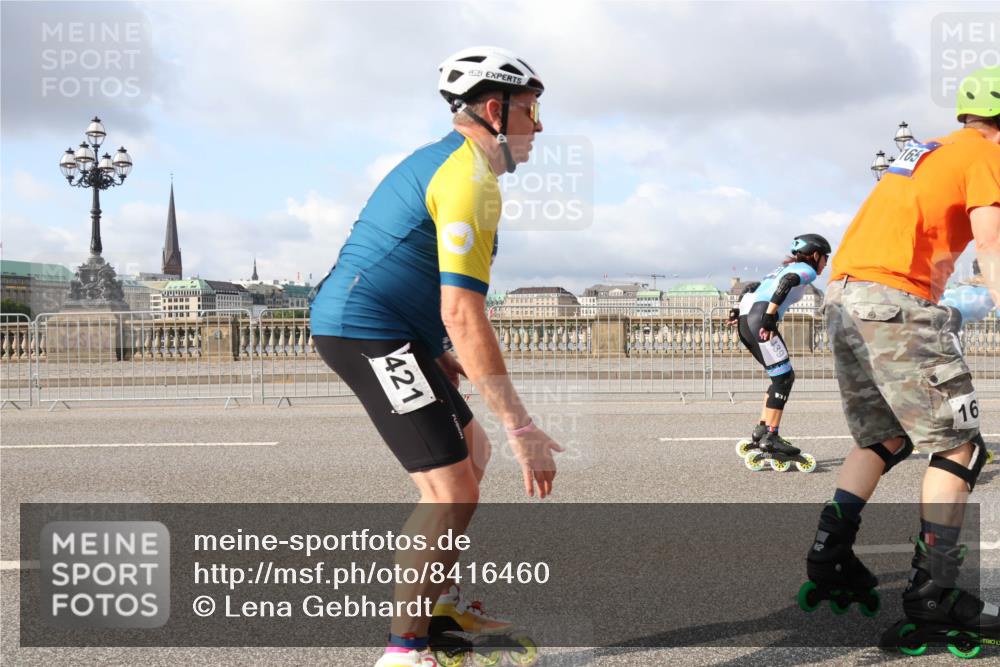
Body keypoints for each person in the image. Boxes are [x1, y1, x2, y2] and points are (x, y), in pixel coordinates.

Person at [309, 46, 562, 667]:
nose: (539, 127)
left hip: (397, 327)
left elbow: (423, 278)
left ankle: (439, 602)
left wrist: (442, 351)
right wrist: (522, 427)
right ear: (496, 111)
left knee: (469, 457)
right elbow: (464, 312)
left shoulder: (453, 165)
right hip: (369, 329)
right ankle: (402, 651)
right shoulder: (468, 178)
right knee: (450, 490)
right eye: (531, 111)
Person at [799, 66, 1000, 653]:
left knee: (884, 438)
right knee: (961, 444)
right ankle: (934, 593)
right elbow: (990, 242)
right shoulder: (985, 153)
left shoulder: (925, 151)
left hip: (844, 298)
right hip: (895, 300)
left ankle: (830, 554)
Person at [729, 234, 830, 469]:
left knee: (777, 377)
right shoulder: (806, 269)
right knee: (785, 378)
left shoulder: (778, 269)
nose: (825, 263)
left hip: (747, 320)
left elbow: (751, 287)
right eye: (825, 258)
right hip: (759, 320)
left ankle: (762, 430)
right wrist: (770, 317)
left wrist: (735, 310)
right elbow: (789, 282)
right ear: (815, 255)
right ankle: (772, 438)